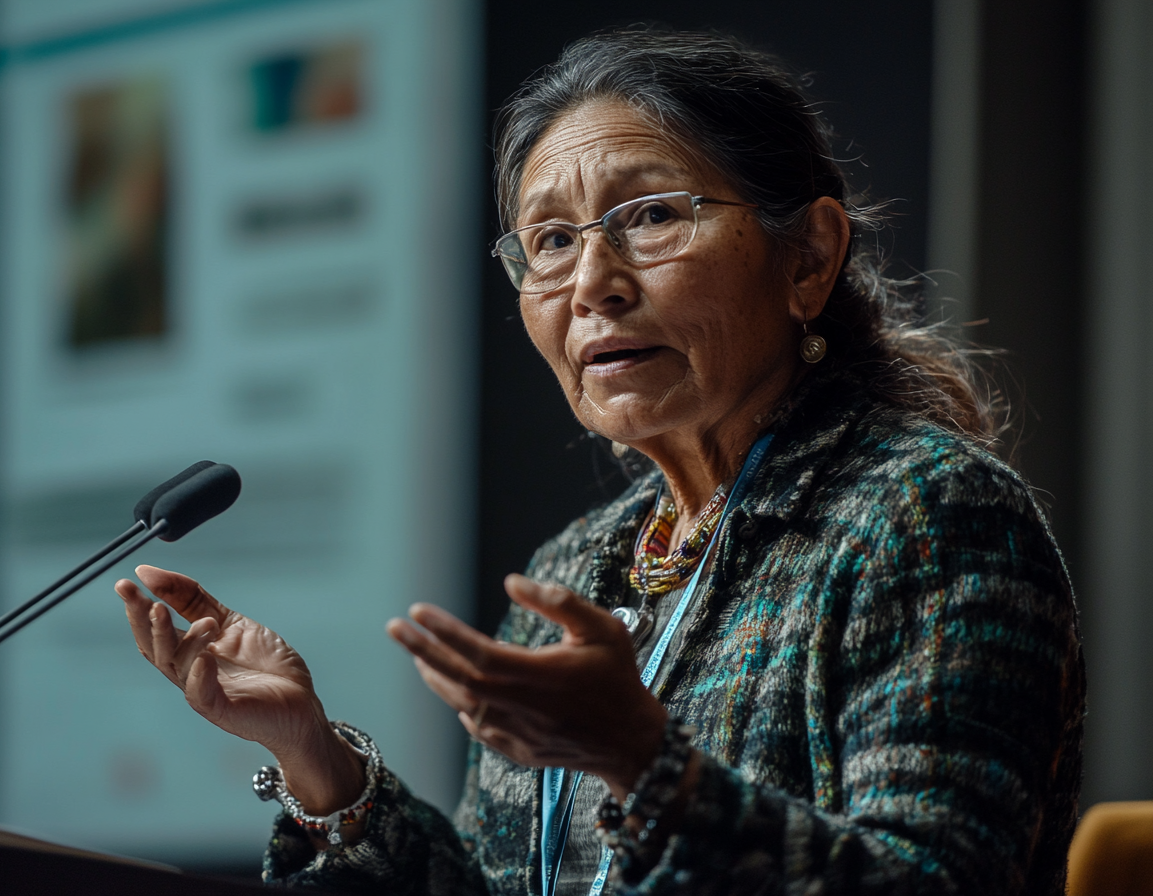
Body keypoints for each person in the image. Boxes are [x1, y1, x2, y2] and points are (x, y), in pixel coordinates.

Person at [115, 29, 1084, 896]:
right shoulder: (574, 570)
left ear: (808, 258)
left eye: (652, 216)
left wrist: (642, 760)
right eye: (549, 240)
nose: (591, 284)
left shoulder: (926, 515)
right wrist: (316, 756)